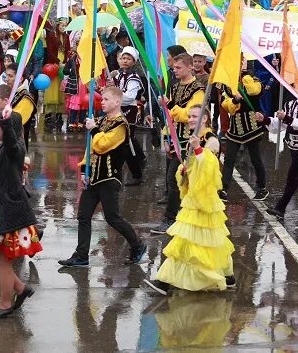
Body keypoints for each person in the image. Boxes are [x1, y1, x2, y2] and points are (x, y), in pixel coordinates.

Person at [144, 104, 233, 294]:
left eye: (195, 116)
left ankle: (164, 282)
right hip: (195, 196)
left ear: (205, 119)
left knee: (182, 241)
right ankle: (228, 276)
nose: (191, 119)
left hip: (203, 198)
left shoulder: (210, 140)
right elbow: (191, 167)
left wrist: (198, 150)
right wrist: (183, 171)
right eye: (190, 116)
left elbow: (210, 168)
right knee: (211, 239)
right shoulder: (194, 139)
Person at [58, 86, 147, 268]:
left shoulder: (121, 125)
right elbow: (90, 149)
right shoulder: (101, 121)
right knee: (83, 216)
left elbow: (103, 145)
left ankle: (137, 245)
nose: (102, 102)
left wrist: (94, 130)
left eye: (106, 99)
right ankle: (82, 255)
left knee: (112, 218)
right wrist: (84, 171)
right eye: (102, 99)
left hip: (109, 177)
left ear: (117, 102)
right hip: (94, 177)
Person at [0, 111, 41, 320]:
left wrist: (5, 121)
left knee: (3, 260)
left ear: (7, 129)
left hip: (6, 209)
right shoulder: (1, 146)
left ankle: (5, 304)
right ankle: (20, 289)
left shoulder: (15, 148)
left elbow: (11, 144)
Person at [152, 52, 204, 234]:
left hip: (190, 141)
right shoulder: (174, 87)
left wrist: (171, 105)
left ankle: (171, 218)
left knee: (175, 180)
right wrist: (166, 138)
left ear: (190, 67)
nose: (174, 71)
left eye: (178, 67)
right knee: (175, 180)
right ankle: (183, 217)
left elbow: (189, 115)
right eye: (174, 67)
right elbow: (170, 119)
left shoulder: (198, 89)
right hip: (175, 140)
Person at [259, 73, 298, 219]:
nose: (295, 88)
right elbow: (279, 125)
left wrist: (286, 118)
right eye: (294, 85)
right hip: (292, 144)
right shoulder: (290, 104)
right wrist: (266, 119)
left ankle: (280, 208)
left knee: (293, 177)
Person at [220, 57, 268, 201]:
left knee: (255, 158)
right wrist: (235, 100)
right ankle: (224, 189)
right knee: (229, 159)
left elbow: (255, 92)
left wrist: (245, 77)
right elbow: (226, 104)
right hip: (235, 127)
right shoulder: (228, 85)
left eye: (241, 63)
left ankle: (262, 188)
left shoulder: (254, 79)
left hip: (252, 126)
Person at [111, 46, 146, 185]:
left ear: (134, 62)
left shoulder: (134, 78)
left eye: (128, 59)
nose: (125, 61)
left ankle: (137, 175)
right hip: (118, 110)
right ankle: (140, 161)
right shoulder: (118, 74)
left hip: (129, 112)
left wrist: (114, 92)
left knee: (127, 143)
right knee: (125, 141)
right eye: (123, 58)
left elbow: (129, 98)